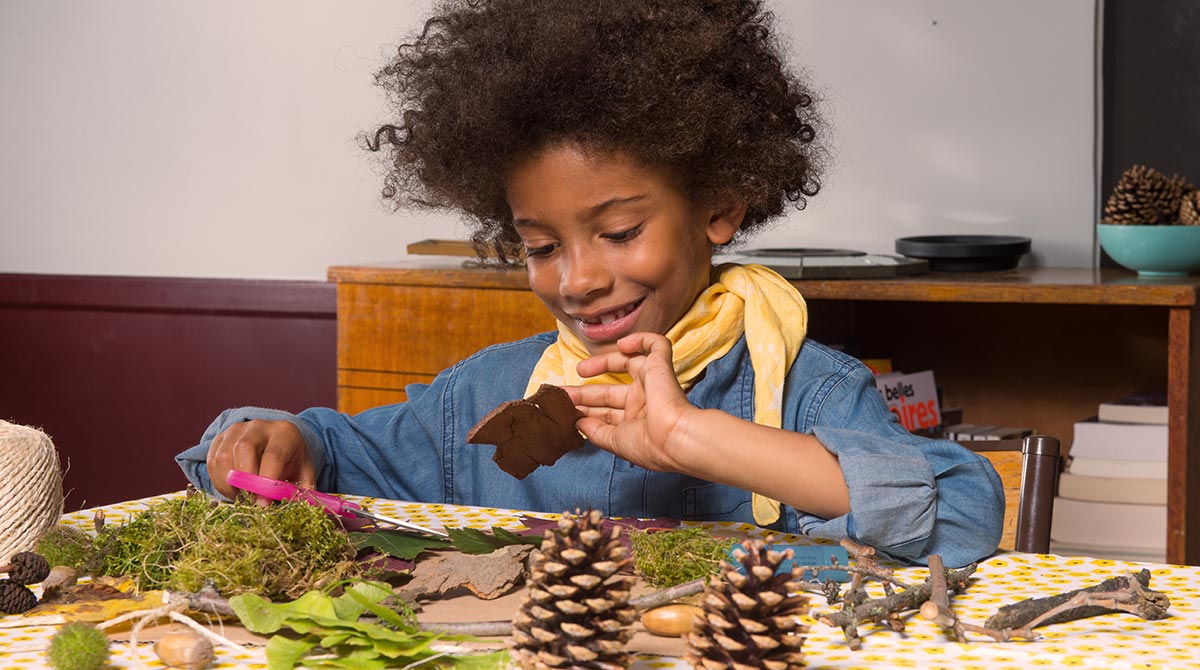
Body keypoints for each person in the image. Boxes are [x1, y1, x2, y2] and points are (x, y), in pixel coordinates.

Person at [176, 0, 1004, 567]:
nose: (577, 280)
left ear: (718, 206)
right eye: (540, 246)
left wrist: (688, 436)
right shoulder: (488, 394)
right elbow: (333, 449)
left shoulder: (813, 395)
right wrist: (274, 437)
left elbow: (962, 514)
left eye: (618, 233)